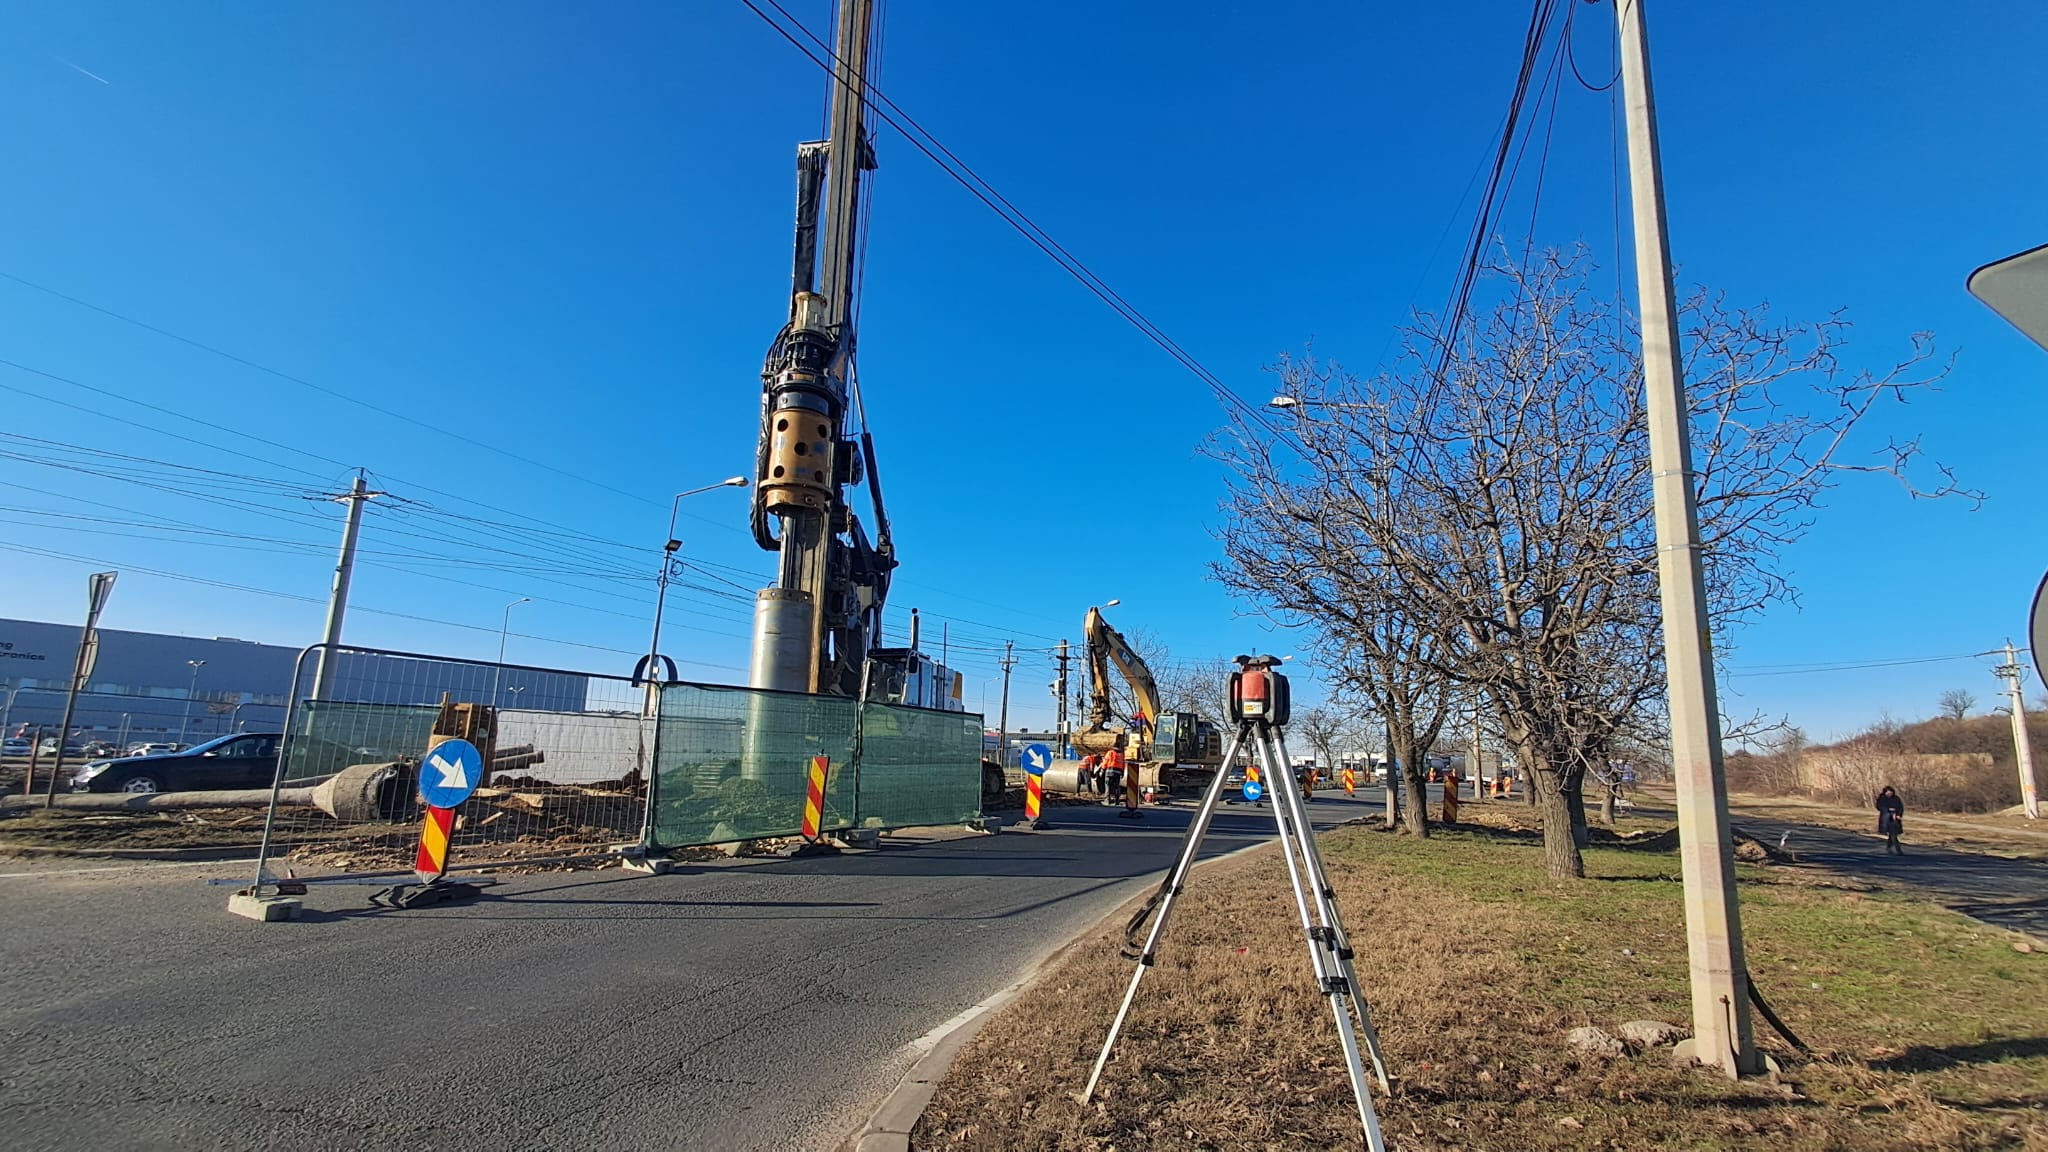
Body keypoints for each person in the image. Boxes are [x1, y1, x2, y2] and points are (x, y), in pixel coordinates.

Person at [1875, 786, 1906, 855]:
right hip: (1886, 818)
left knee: (1893, 834)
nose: (1889, 793)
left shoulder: (1896, 798)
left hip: (1895, 819)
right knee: (1892, 834)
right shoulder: (1882, 798)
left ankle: (1890, 847)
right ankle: (1898, 849)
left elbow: (1900, 807)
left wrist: (1899, 814)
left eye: (1891, 792)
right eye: (1888, 792)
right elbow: (1879, 807)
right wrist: (1889, 810)